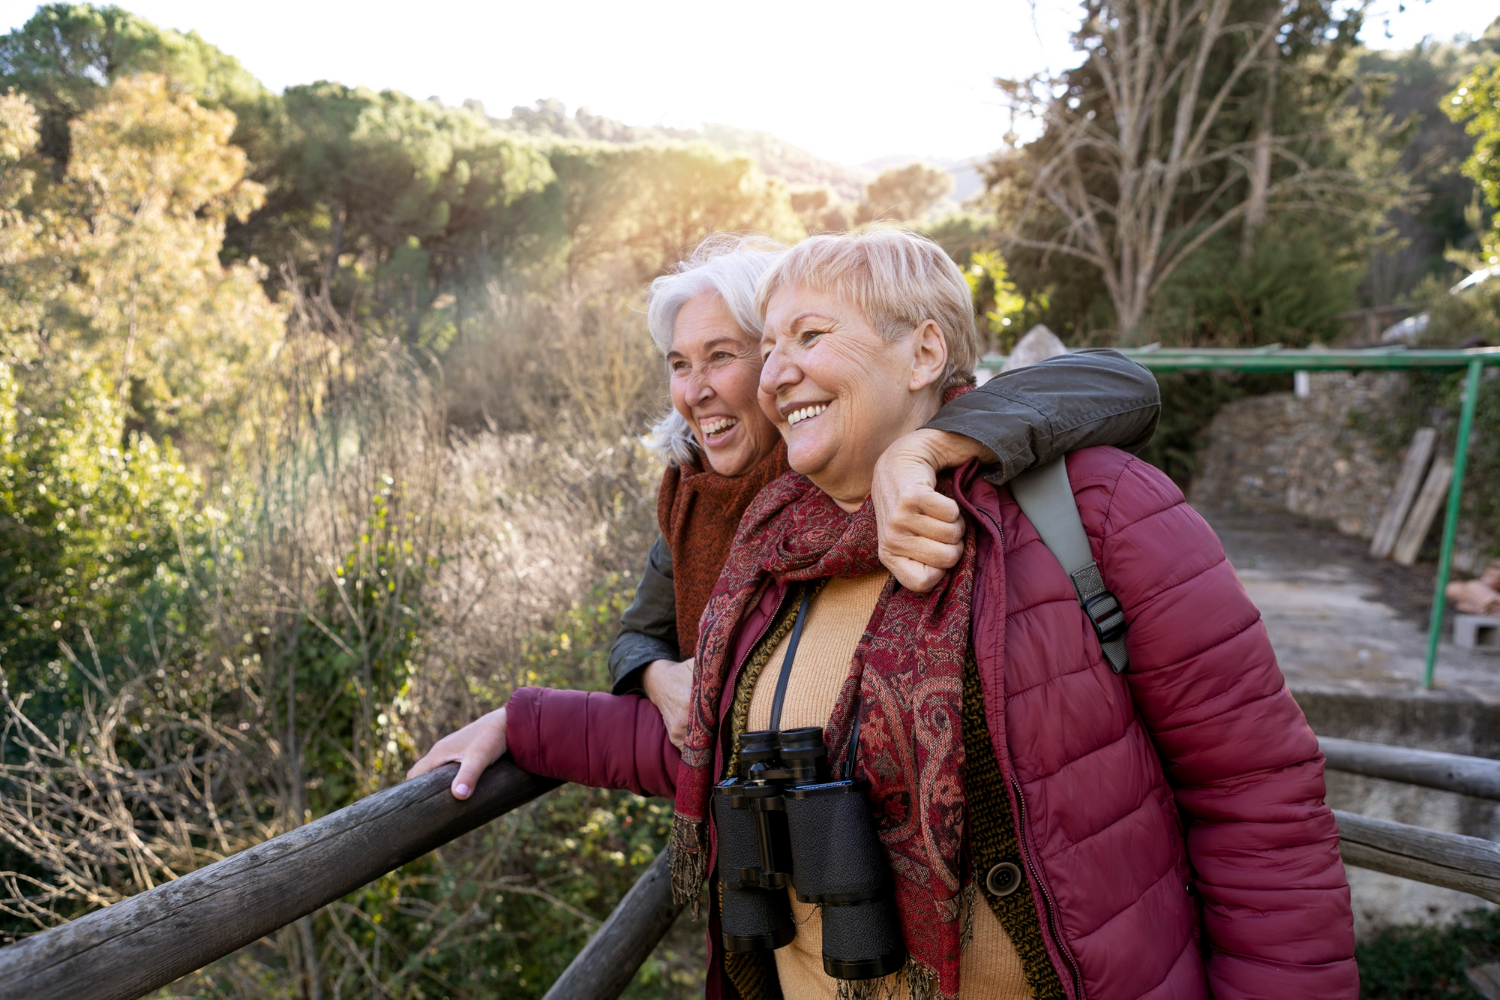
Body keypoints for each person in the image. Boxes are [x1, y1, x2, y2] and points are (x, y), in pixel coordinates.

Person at [410, 229, 1358, 998]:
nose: (775, 373)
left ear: (925, 351)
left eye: (808, 338)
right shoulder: (775, 552)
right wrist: (522, 722)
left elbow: (1258, 803)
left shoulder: (1094, 509)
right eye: (769, 346)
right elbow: (719, 746)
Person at [600, 236, 1161, 746]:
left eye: (722, 356)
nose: (696, 389)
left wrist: (924, 448)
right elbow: (639, 637)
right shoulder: (698, 495)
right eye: (679, 364)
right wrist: (660, 680)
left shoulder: (851, 461)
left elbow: (1118, 382)